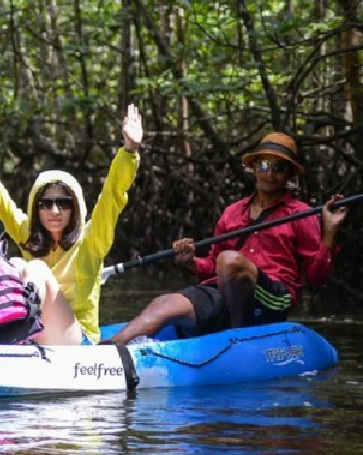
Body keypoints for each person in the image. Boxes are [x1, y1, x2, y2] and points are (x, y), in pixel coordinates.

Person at [108, 132, 346, 344]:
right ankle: (109, 348)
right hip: (224, 291)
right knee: (165, 303)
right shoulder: (233, 212)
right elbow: (212, 266)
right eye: (264, 165)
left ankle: (237, 334)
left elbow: (317, 279)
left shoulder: (301, 213)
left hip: (272, 298)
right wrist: (190, 261)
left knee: (231, 260)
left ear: (289, 174)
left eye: (279, 167)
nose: (270, 173)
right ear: (254, 168)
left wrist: (330, 232)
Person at [0, 105, 143, 345]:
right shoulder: (26, 233)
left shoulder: (92, 240)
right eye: (46, 203)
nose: (54, 211)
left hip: (78, 342)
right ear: (37, 207)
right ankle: (1, 327)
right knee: (17, 263)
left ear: (74, 208)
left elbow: (112, 196)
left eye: (63, 203)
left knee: (35, 269)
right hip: (39, 336)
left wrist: (129, 151)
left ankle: (19, 328)